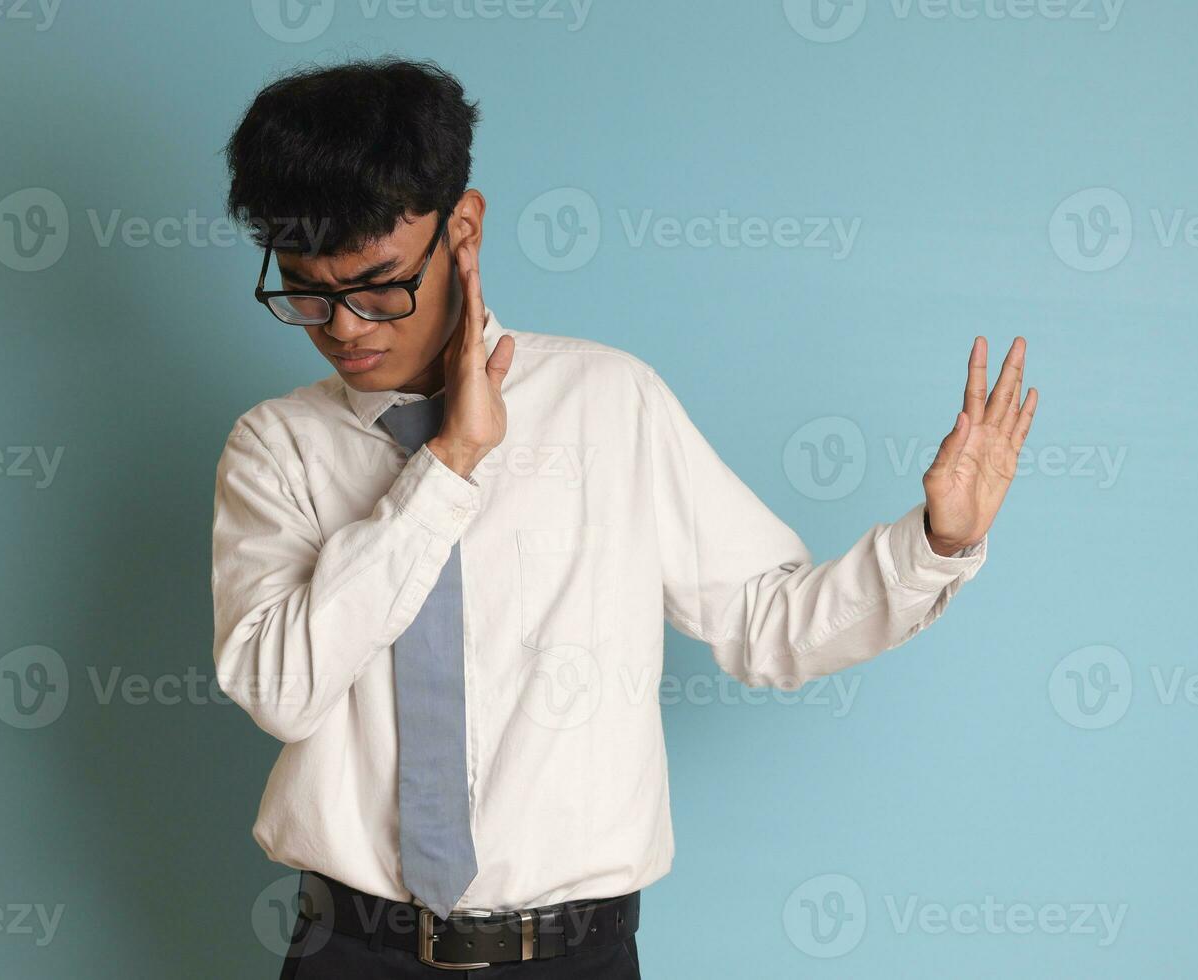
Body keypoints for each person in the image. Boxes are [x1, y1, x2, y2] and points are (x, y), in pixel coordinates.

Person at [212, 57, 1037, 979]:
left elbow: (770, 625)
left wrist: (938, 543)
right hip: (348, 953)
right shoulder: (275, 447)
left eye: (378, 286)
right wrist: (447, 467)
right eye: (307, 293)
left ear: (464, 229)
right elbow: (280, 690)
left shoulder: (610, 404)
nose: (348, 327)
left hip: (573, 956)